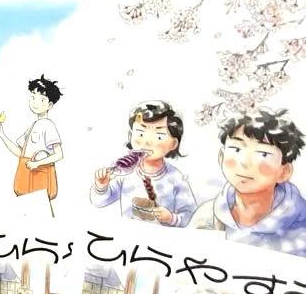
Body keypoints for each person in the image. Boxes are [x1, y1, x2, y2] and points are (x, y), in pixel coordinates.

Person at [188, 109, 306, 255]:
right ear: (221, 157)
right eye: (236, 149)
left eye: (263, 154)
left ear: (284, 172)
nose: (244, 162)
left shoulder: (301, 225)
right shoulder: (207, 216)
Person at [91, 100, 196, 225]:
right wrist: (101, 186)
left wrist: (172, 218)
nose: (147, 142)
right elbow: (100, 202)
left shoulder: (176, 178)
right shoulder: (124, 171)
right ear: (130, 136)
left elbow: (191, 215)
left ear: (174, 143)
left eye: (159, 136)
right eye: (141, 133)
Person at [0, 75, 63, 213]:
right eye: (32, 97)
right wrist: (2, 135)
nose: (35, 102)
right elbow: (21, 153)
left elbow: (59, 154)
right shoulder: (33, 125)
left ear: (50, 105)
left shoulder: (48, 125)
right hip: (27, 179)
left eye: (41, 99)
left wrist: (37, 163)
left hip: (39, 180)